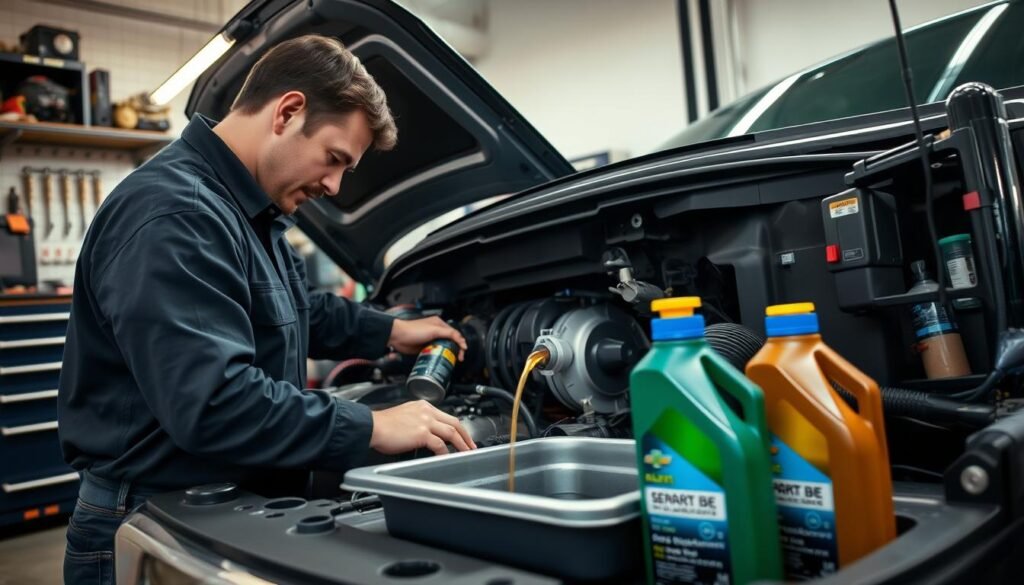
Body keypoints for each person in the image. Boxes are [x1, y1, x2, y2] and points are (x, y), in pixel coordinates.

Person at [57, 34, 475, 585]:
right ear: (288, 111)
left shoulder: (249, 212)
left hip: (219, 507)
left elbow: (295, 311)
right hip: (152, 519)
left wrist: (392, 333)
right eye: (334, 159)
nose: (333, 184)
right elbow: (215, 403)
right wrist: (370, 425)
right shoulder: (174, 212)